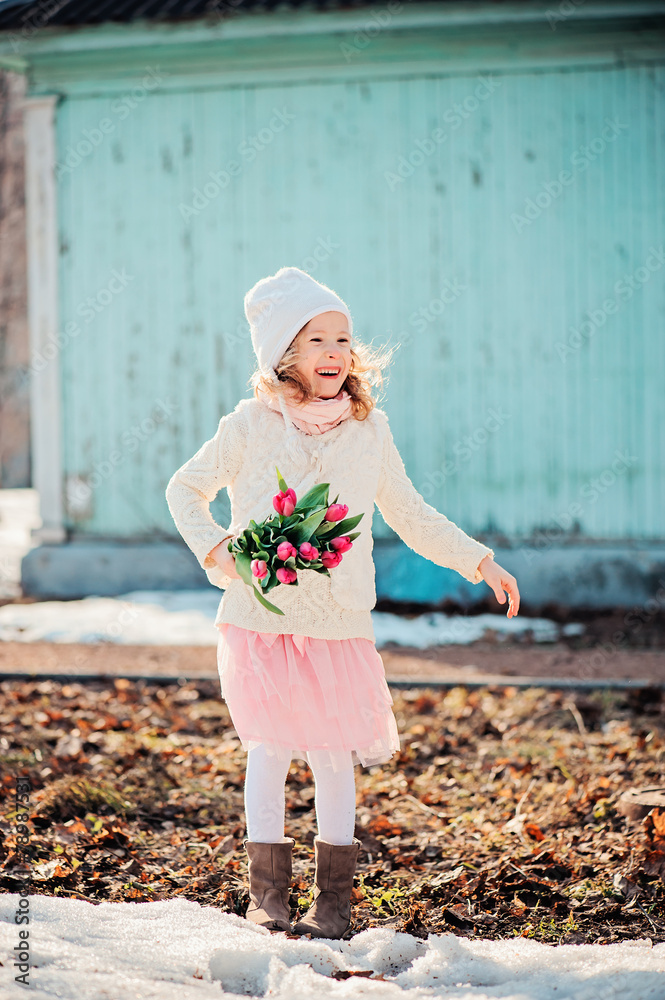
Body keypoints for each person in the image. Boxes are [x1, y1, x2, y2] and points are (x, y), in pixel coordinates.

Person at [165, 265, 520, 940]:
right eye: (317, 339)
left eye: (343, 339)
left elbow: (410, 513)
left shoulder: (369, 431)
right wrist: (217, 552)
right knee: (268, 750)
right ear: (284, 355)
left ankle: (334, 904)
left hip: (337, 624)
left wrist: (478, 559)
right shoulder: (249, 426)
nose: (334, 352)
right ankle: (267, 897)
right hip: (261, 619)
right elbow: (185, 489)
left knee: (332, 755)